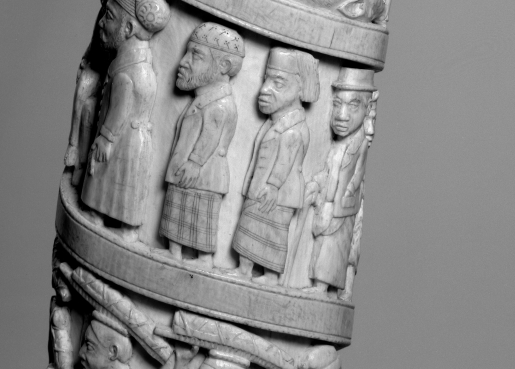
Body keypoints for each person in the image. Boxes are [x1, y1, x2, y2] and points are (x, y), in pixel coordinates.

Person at [80, 0, 170, 238]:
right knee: (126, 188)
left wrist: (105, 138)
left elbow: (119, 109)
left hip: (122, 141)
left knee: (110, 184)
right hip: (136, 140)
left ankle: (99, 217)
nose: (101, 24)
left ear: (128, 29)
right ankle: (126, 229)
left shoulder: (126, 72)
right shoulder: (141, 65)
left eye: (109, 17)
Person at [231, 48, 319, 283]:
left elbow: (285, 162)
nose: (264, 90)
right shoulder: (277, 122)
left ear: (300, 88)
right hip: (262, 190)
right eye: (265, 80)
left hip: (276, 195)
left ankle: (270, 275)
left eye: (278, 82)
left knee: (272, 235)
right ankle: (244, 269)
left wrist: (272, 185)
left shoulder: (293, 129)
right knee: (250, 226)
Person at [161, 23, 245, 262]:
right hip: (186, 172)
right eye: (187, 52)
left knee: (200, 217)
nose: (184, 61)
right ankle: (174, 251)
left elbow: (211, 136)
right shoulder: (204, 98)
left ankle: (204, 259)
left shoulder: (219, 104)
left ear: (224, 66)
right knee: (179, 209)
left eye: (196, 55)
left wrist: (195, 162)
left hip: (202, 175)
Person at [306, 69, 376, 294]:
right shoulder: (337, 145)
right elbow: (327, 171)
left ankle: (323, 287)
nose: (342, 115)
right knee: (324, 246)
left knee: (334, 248)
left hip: (342, 207)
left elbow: (355, 176)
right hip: (329, 205)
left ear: (368, 109)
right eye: (336, 104)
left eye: (353, 106)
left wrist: (347, 193)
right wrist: (316, 185)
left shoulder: (359, 143)